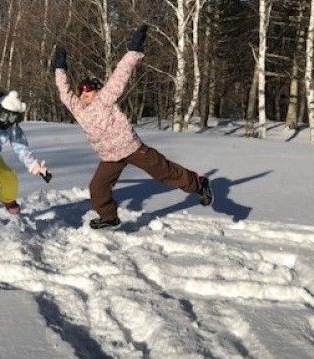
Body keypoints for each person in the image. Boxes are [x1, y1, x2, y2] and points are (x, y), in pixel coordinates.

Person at [53, 25, 213, 229]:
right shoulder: (78, 109)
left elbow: (121, 74)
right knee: (97, 188)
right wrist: (60, 68)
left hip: (131, 148)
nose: (84, 94)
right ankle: (110, 217)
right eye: (81, 91)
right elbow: (64, 92)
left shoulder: (105, 98)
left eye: (89, 89)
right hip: (110, 156)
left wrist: (134, 50)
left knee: (164, 172)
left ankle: (199, 184)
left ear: (98, 90)